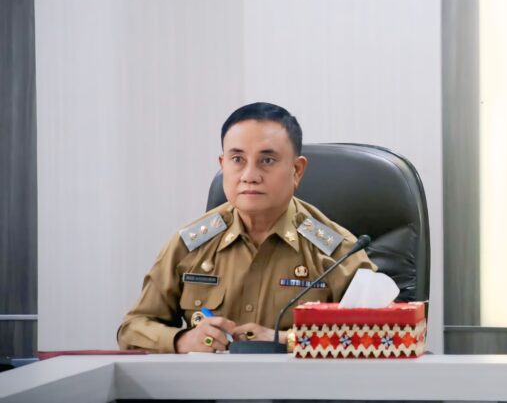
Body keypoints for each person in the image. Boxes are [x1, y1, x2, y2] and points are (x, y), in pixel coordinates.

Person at [118, 102, 376, 353]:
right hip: (209, 382)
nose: (250, 175)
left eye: (267, 160)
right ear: (223, 165)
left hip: (298, 382)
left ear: (297, 170)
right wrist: (182, 340)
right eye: (238, 159)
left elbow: (383, 334)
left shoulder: (337, 250)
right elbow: (133, 328)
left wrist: (285, 340)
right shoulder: (190, 244)